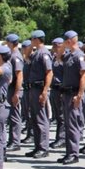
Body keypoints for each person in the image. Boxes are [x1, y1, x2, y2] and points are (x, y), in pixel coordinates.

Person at [57, 30, 85, 165]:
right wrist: (63, 47)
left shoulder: (79, 56)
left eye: (65, 41)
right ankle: (69, 152)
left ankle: (74, 154)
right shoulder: (69, 55)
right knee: (68, 124)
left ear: (70, 41)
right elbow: (59, 56)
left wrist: (80, 95)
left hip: (74, 94)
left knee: (73, 125)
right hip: (67, 93)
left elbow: (84, 75)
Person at [25, 30, 53, 159]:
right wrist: (31, 46)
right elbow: (25, 55)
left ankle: (43, 147)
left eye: (32, 39)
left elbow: (49, 72)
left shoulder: (44, 53)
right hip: (33, 89)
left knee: (41, 119)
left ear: (37, 39)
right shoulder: (36, 53)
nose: (31, 41)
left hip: (40, 88)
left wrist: (45, 91)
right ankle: (37, 146)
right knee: (35, 119)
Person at [5, 34, 25, 152]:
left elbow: (19, 75)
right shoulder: (11, 55)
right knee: (12, 116)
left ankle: (15, 141)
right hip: (11, 89)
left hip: (14, 89)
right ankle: (12, 140)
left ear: (11, 43)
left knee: (15, 116)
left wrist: (17, 93)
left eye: (7, 42)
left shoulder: (16, 56)